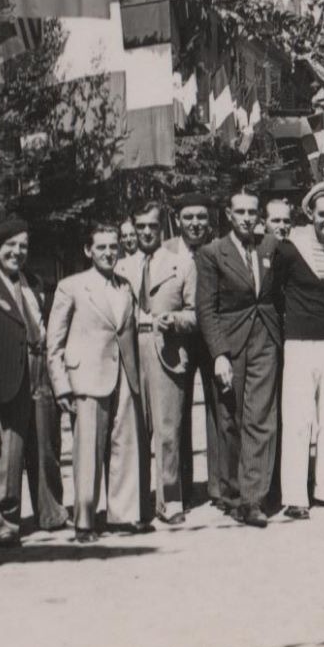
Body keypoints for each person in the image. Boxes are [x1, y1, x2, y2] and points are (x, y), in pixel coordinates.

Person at [0, 218, 66, 548]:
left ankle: (51, 512)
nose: (17, 252)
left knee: (46, 445)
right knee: (4, 452)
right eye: (11, 245)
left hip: (39, 372)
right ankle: (1, 521)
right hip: (2, 378)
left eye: (23, 246)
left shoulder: (33, 283)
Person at [46, 223, 153, 542]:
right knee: (88, 450)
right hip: (87, 378)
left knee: (126, 446)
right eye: (102, 247)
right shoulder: (71, 286)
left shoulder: (125, 286)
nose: (109, 252)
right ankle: (85, 521)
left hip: (124, 375)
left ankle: (124, 514)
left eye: (113, 246)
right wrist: (61, 384)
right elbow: (55, 342)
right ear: (88, 251)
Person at [195, 189, 282, 529]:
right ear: (228, 215)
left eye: (252, 211)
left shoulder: (270, 246)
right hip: (230, 344)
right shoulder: (211, 253)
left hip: (265, 339)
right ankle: (231, 493)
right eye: (240, 212)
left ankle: (253, 499)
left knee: (261, 417)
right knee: (230, 419)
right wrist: (219, 355)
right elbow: (206, 308)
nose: (247, 217)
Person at [271, 181, 324, 518]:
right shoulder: (289, 249)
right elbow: (275, 294)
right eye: (323, 214)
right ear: (309, 213)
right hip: (299, 341)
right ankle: (295, 496)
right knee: (297, 417)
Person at [115, 202, 199, 525]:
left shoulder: (181, 265)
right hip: (130, 351)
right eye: (140, 227)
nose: (146, 232)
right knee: (135, 431)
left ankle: (171, 501)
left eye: (152, 226)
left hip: (166, 349)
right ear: (133, 230)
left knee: (168, 430)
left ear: (162, 227)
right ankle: (138, 504)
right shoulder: (123, 267)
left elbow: (196, 314)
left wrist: (174, 320)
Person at [165, 193, 228, 510]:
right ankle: (183, 486)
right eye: (188, 217)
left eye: (201, 217)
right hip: (177, 340)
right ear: (178, 220)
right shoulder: (165, 253)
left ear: (210, 220)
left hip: (213, 338)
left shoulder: (220, 251)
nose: (195, 223)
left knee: (218, 408)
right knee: (178, 412)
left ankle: (218, 486)